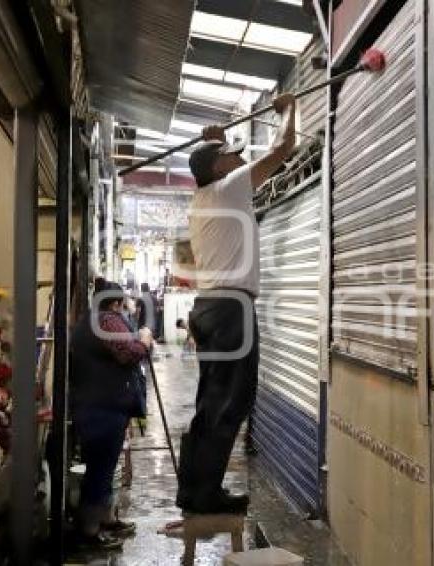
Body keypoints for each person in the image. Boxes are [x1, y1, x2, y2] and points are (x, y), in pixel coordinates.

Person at [175, 92, 296, 514]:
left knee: (211, 403)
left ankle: (193, 490)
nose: (239, 161)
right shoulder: (228, 188)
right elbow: (284, 149)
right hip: (230, 311)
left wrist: (216, 141)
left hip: (209, 307)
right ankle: (205, 495)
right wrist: (288, 110)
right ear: (219, 167)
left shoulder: (202, 198)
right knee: (232, 402)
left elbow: (210, 162)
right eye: (232, 157)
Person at [69, 281, 153, 549]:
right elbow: (128, 354)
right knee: (100, 470)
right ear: (116, 303)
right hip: (102, 407)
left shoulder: (88, 321)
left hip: (95, 404)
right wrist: (144, 340)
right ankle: (89, 531)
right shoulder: (108, 321)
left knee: (103, 468)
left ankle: (105, 519)